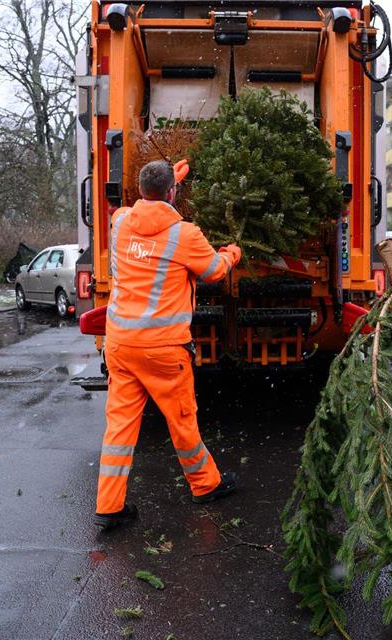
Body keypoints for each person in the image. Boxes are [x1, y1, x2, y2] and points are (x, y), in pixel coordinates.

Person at [93, 159, 242, 529]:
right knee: (181, 420)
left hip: (121, 344)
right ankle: (206, 485)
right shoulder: (185, 235)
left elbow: (141, 204)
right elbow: (214, 271)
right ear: (173, 194)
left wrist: (165, 182)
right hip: (162, 349)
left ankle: (109, 506)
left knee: (120, 427)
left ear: (143, 192)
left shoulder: (121, 222)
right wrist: (232, 253)